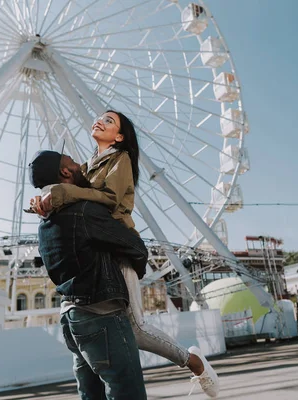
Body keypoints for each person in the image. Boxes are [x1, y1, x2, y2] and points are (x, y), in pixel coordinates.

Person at [30, 111, 219, 398]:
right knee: (133, 334)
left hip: (116, 243)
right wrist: (44, 197)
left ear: (119, 136)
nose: (99, 121)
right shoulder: (89, 165)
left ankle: (193, 362)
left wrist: (61, 193)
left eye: (108, 121)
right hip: (98, 248)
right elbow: (69, 191)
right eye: (99, 118)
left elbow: (107, 200)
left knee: (138, 329)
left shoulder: (121, 159)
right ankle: (192, 360)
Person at [29, 150, 148, 400]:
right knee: (127, 392)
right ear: (65, 172)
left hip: (70, 318)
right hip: (101, 314)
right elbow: (136, 248)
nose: (80, 165)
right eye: (72, 161)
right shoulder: (84, 211)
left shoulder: (45, 223)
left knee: (90, 395)